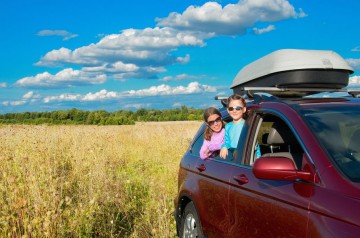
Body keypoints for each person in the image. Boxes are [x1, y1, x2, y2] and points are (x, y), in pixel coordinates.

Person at [220, 94, 261, 159]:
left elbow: (255, 144)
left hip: (246, 158)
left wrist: (258, 157)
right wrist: (224, 147)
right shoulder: (227, 126)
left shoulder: (248, 124)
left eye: (238, 108)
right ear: (228, 110)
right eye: (231, 108)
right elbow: (227, 142)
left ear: (244, 109)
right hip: (235, 159)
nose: (234, 111)